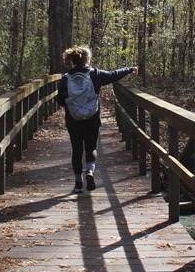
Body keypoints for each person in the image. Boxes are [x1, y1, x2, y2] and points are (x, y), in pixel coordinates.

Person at [56, 46, 137, 193]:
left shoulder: (66, 78)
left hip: (73, 118)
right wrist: (129, 69)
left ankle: (78, 184)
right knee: (91, 147)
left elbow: (59, 99)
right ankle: (90, 172)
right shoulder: (95, 74)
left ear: (73, 60)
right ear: (87, 59)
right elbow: (113, 75)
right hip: (92, 117)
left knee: (77, 149)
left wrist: (70, 103)